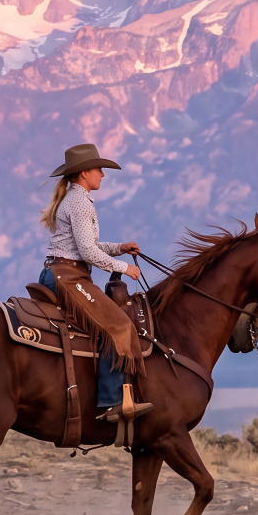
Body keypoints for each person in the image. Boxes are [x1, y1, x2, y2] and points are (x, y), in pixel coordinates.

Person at [40, 143, 152, 422]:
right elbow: (88, 252)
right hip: (67, 277)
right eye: (99, 169)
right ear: (84, 173)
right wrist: (124, 268)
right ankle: (113, 402)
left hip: (65, 272)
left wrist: (120, 247)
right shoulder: (79, 203)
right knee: (118, 325)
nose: (103, 174)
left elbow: (87, 246)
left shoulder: (77, 199)